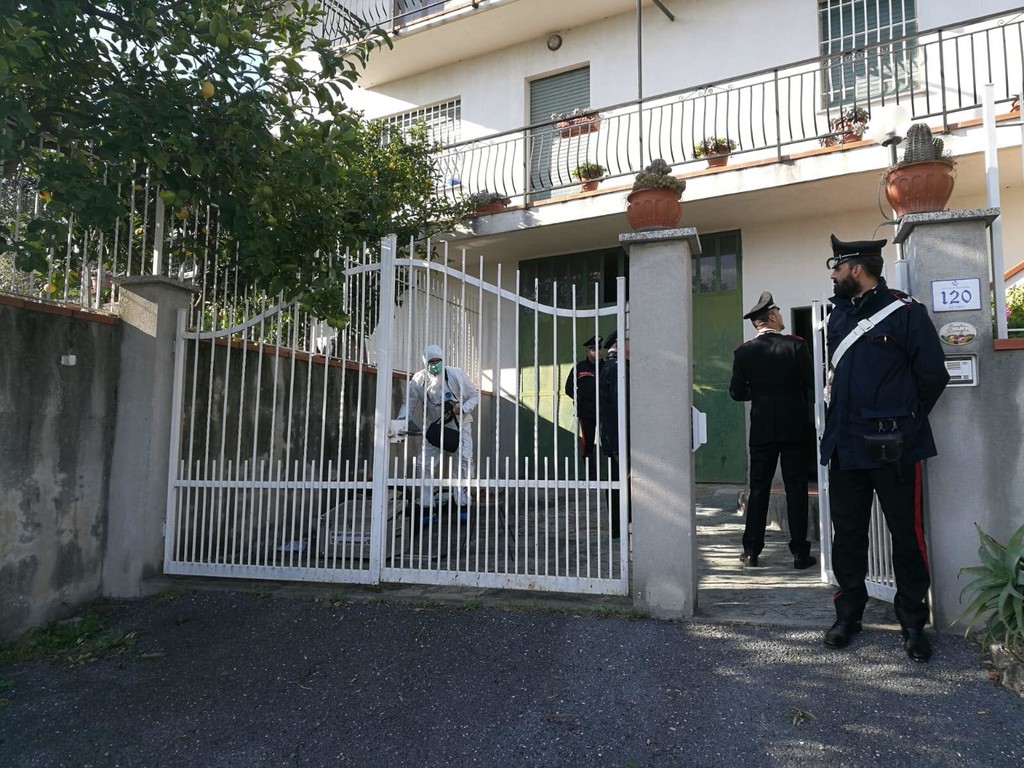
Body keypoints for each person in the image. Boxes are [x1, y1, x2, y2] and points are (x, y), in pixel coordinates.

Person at [820, 235, 950, 663]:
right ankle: (848, 616)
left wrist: (903, 422)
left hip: (893, 446)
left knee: (906, 536)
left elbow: (933, 375)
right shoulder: (838, 315)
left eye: (838, 267)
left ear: (857, 269)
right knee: (848, 536)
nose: (834, 275)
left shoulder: (906, 312)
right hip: (846, 445)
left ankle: (912, 623)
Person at [729, 291, 816, 570]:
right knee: (796, 488)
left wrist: (758, 393)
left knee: (758, 489)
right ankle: (800, 553)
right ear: (772, 317)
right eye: (777, 312)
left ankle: (751, 551)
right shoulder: (796, 345)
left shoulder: (743, 352)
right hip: (794, 427)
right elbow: (811, 383)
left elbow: (736, 392)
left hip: (762, 429)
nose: (780, 315)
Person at [398, 344, 479, 515]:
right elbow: (408, 403)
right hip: (434, 427)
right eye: (431, 361)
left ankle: (462, 503)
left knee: (464, 461)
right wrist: (401, 421)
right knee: (424, 464)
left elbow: (474, 395)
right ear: (425, 362)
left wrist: (461, 409)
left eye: (438, 361)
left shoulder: (456, 374)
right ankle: (427, 505)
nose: (435, 364)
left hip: (460, 424)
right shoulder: (418, 380)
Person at [598, 330, 629, 539]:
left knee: (616, 483)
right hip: (619, 438)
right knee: (620, 485)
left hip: (613, 437)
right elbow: (622, 406)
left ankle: (619, 527)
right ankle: (621, 527)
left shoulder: (610, 366)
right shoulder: (618, 368)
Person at [564, 335, 603, 469]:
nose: (598, 352)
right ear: (587, 351)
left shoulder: (606, 367)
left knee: (609, 443)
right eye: (594, 349)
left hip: (604, 411)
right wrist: (581, 398)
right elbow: (569, 388)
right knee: (587, 445)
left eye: (599, 349)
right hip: (586, 412)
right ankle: (590, 476)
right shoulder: (580, 367)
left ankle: (613, 476)